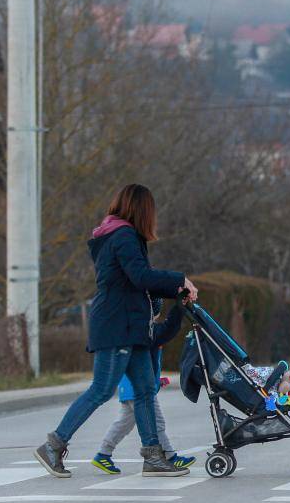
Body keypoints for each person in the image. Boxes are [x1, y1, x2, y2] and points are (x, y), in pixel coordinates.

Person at [34, 184, 198, 478]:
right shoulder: (123, 236)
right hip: (117, 327)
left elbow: (137, 280)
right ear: (141, 210)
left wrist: (175, 291)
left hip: (130, 328)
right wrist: (179, 280)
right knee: (101, 389)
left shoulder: (119, 236)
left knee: (146, 391)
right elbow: (140, 277)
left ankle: (153, 456)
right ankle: (53, 445)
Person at [90, 301, 195, 473]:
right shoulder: (146, 331)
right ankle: (170, 456)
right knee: (156, 421)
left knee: (124, 424)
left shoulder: (141, 330)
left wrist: (156, 380)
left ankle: (103, 454)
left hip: (130, 387)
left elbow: (147, 364)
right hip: (138, 389)